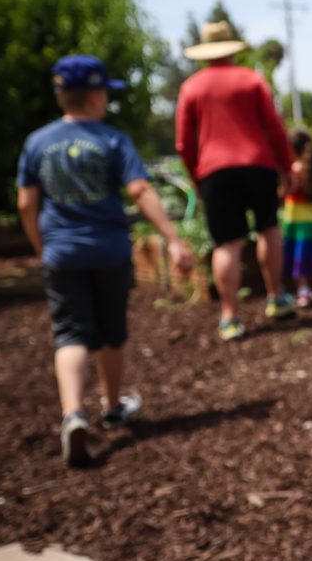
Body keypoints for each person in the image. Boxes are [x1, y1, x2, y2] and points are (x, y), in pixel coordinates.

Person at [16, 55, 195, 466]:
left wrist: (39, 244)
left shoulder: (37, 142)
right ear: (95, 96)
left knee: (71, 333)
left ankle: (74, 415)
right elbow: (139, 191)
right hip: (110, 250)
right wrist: (172, 238)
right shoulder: (113, 140)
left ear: (61, 94)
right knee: (112, 331)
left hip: (61, 250)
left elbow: (26, 202)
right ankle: (112, 408)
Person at [175, 20, 296, 340]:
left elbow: (184, 144)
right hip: (258, 165)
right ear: (231, 48)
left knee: (226, 243)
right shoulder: (252, 80)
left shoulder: (191, 87)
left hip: (215, 172)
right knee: (268, 229)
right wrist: (286, 167)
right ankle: (277, 297)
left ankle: (230, 317)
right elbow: (275, 128)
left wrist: (197, 180)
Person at [282, 127, 312, 307]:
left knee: (299, 258)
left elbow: (285, 191)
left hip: (297, 222)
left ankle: (303, 291)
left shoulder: (295, 170)